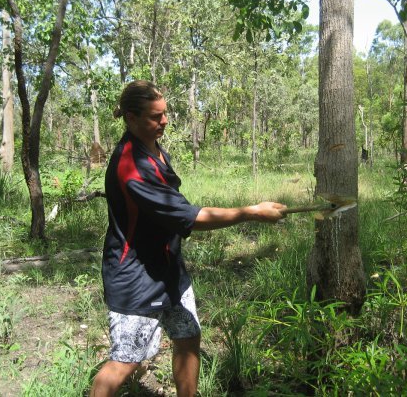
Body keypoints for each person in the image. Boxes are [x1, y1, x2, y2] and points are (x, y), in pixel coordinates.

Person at [90, 80, 286, 397]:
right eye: (155, 116)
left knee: (187, 335)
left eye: (164, 113)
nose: (164, 121)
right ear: (130, 117)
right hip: (136, 278)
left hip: (169, 269)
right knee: (124, 363)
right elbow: (188, 217)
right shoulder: (131, 166)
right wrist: (251, 212)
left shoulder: (151, 147)